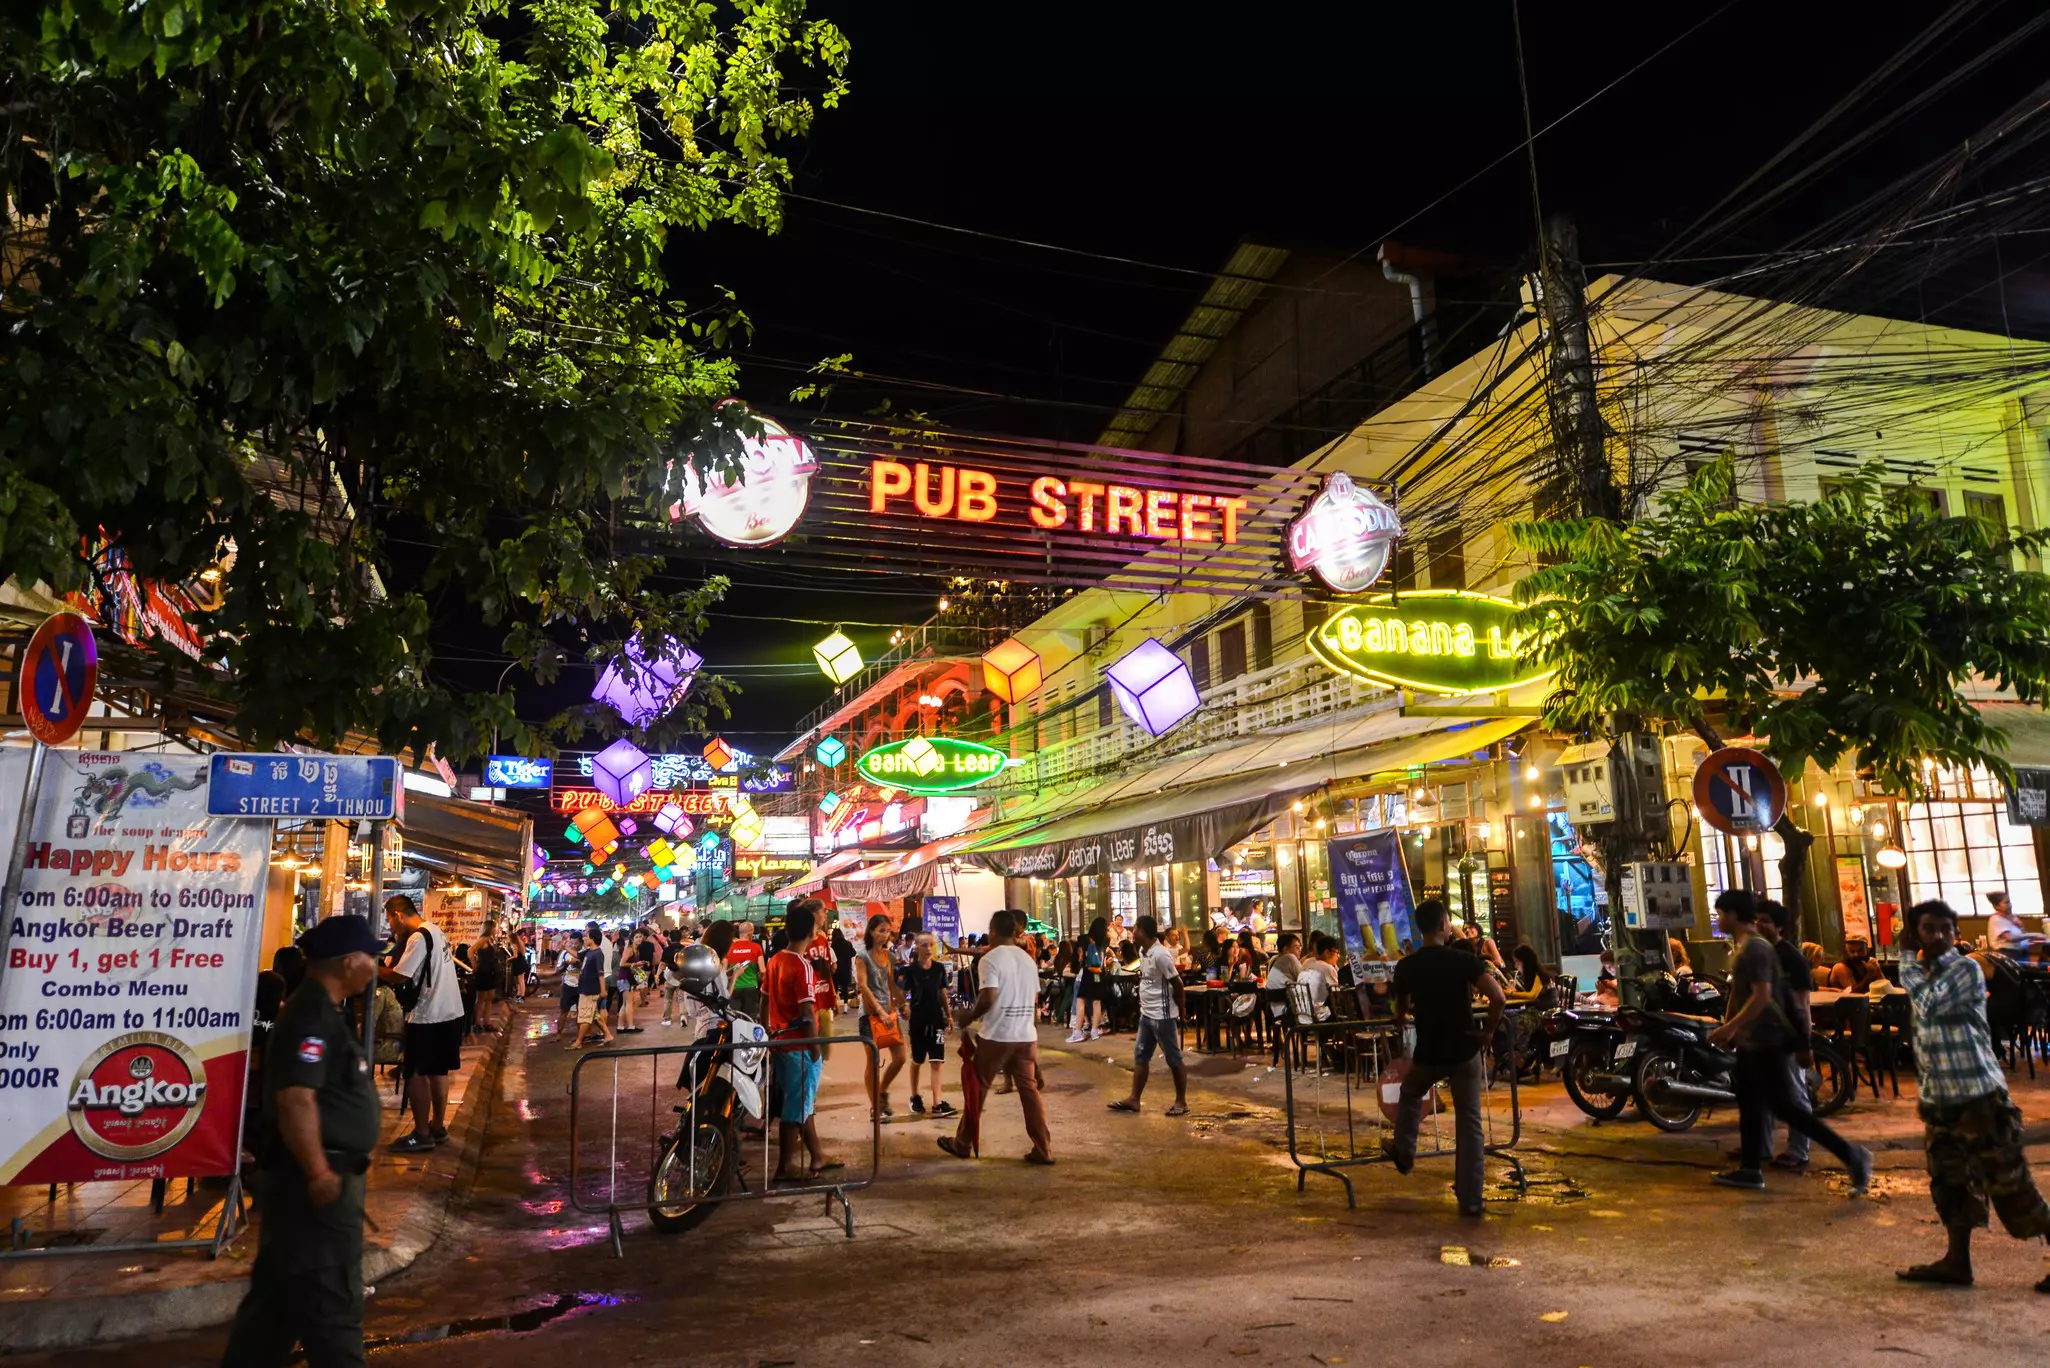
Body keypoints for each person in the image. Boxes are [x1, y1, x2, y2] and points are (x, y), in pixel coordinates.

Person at [222, 915, 383, 1367]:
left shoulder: (323, 1009)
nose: (374, 966)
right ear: (348, 962)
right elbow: (296, 1099)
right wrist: (318, 1170)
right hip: (312, 1184)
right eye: (370, 957)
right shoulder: (311, 1014)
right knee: (332, 1304)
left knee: (273, 1310)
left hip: (307, 1183)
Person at [1894, 899, 2050, 1290]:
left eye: (1947, 928)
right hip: (1940, 1102)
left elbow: (1928, 1004)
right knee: (1950, 1184)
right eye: (1930, 928)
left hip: (1980, 1098)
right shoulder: (1922, 971)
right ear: (1916, 933)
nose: (1941, 935)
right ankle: (1956, 1262)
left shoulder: (1965, 968)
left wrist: (1907, 959)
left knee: (2011, 1186)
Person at [1707, 890, 1871, 1195]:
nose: (1718, 919)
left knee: (1785, 1108)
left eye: (1720, 913)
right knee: (1753, 1104)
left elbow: (1762, 996)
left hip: (1765, 1042)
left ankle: (1852, 1155)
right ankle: (1751, 1169)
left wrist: (1730, 1028)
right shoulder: (1750, 946)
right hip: (1755, 1041)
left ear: (1732, 914)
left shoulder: (1754, 949)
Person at [1382, 899, 1507, 1219]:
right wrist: (1489, 1032)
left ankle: (1405, 1152)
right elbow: (1498, 996)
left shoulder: (1407, 966)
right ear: (1443, 926)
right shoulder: (1463, 960)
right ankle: (1471, 1201)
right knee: (1470, 1125)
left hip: (1429, 1051)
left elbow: (1400, 1008)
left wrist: (1402, 1015)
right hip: (1465, 1050)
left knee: (1410, 1094)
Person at [937, 909, 1053, 1165]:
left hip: (998, 1035)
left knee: (977, 1088)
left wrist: (969, 1016)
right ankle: (1043, 1149)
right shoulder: (1027, 961)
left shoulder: (991, 959)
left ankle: (962, 1143)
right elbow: (1033, 1003)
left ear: (993, 932)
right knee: (1030, 1092)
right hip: (1025, 1034)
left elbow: (988, 997)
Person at [377, 895, 463, 1153]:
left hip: (428, 1015)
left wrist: (372, 968)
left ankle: (421, 1134)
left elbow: (398, 974)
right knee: (438, 1071)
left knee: (414, 1073)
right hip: (451, 1011)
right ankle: (437, 1127)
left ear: (398, 915)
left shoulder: (417, 938)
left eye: (391, 920)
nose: (391, 927)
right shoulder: (435, 931)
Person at [763, 901, 838, 1183]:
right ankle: (785, 1167)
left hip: (781, 1042)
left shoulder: (775, 960)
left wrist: (767, 1031)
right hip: (799, 1046)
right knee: (795, 1109)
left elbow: (764, 999)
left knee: (801, 1102)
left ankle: (816, 1156)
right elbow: (807, 1013)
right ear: (809, 932)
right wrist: (816, 1048)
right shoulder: (801, 965)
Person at [1755, 899, 1818, 1173]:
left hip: (1787, 1037)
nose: (1759, 925)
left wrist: (1804, 1042)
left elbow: (1802, 1005)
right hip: (1762, 1037)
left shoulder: (1791, 958)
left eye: (1766, 921)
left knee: (1794, 1094)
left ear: (1778, 925)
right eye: (1756, 919)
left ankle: (1798, 1150)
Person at [1108, 915, 1188, 1117]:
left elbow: (1178, 985)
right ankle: (1134, 1099)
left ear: (1142, 931)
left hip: (1162, 1016)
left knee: (1174, 1059)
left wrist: (1182, 1012)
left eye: (1134, 928)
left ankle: (1181, 1101)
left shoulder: (1161, 955)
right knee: (1141, 1056)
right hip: (1147, 1014)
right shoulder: (1143, 952)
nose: (1132, 932)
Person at [852, 912, 908, 1118]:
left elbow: (892, 985)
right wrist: (880, 1011)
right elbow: (863, 987)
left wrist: (903, 1005)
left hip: (890, 1015)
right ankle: (875, 1105)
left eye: (888, 931)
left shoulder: (889, 956)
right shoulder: (862, 956)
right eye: (881, 931)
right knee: (873, 1062)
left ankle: (881, 1090)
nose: (885, 935)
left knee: (900, 1058)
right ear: (871, 931)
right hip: (869, 1015)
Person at [903, 932, 957, 1118]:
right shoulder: (910, 971)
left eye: (931, 944)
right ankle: (915, 1096)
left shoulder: (939, 968)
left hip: (937, 1020)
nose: (928, 948)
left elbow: (942, 992)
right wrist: (904, 1007)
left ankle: (937, 1103)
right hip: (918, 1020)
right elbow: (902, 993)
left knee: (937, 1061)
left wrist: (948, 1016)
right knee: (917, 1060)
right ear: (916, 947)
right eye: (924, 945)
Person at [568, 920, 615, 1050]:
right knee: (594, 1015)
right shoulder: (589, 952)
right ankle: (607, 1035)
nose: (584, 938)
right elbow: (577, 955)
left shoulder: (597, 954)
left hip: (590, 990)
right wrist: (565, 947)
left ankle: (578, 1041)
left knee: (584, 1017)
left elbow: (601, 973)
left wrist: (603, 990)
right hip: (586, 988)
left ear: (592, 939)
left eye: (587, 936)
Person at [1068, 917, 1111, 1043]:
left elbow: (1086, 961)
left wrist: (1083, 959)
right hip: (1099, 975)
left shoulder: (1088, 942)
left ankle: (1077, 1032)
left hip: (1088, 974)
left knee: (1080, 1000)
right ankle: (1094, 1030)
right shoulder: (1104, 941)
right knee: (1096, 1003)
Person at [1985, 890, 2049, 961]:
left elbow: (2023, 936)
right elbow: (2010, 938)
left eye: (2009, 902)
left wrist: (2037, 940)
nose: (2010, 905)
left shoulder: (2013, 917)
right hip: (2008, 955)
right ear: (1996, 906)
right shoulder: (1996, 919)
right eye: (2006, 902)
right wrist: (2034, 935)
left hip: (2022, 953)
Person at [728, 920, 766, 1019]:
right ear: (750, 931)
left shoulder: (730, 947)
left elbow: (725, 970)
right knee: (750, 1018)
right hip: (751, 987)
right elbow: (762, 970)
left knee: (734, 1018)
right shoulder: (756, 947)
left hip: (734, 987)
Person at [830, 924, 857, 1005]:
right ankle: (845, 1006)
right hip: (846, 968)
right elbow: (854, 953)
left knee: (835, 987)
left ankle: (834, 1004)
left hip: (836, 969)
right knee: (845, 988)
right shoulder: (847, 943)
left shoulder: (833, 945)